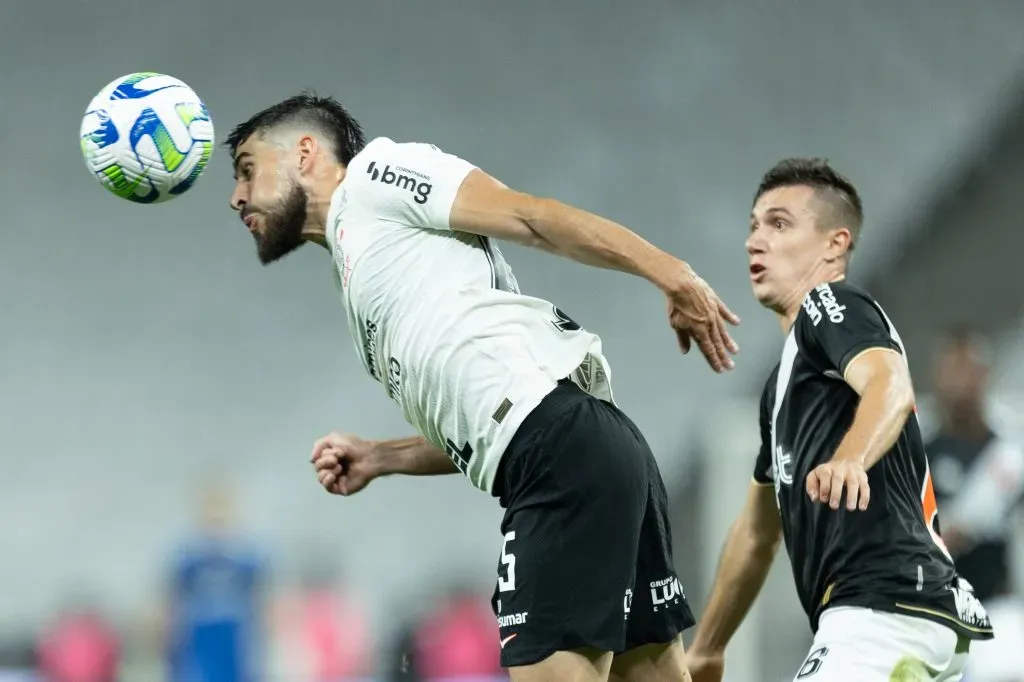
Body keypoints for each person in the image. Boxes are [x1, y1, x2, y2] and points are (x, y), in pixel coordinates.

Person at [225, 92, 740, 682]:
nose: (236, 196)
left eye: (247, 169)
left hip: (560, 457)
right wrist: (382, 456)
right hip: (582, 449)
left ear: (306, 153)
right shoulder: (367, 265)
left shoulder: (374, 178)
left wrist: (668, 272)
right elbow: (490, 420)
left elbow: (530, 217)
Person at [685, 158, 994, 681]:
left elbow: (890, 385)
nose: (754, 241)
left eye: (779, 224)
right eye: (754, 225)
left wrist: (850, 458)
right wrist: (709, 646)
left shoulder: (832, 305)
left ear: (834, 244)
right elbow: (758, 532)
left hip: (881, 613)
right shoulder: (782, 386)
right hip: (906, 615)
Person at [925, 326, 1024, 680]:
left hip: (995, 610)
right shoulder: (918, 448)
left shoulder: (1009, 449)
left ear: (984, 375)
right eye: (951, 370)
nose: (959, 383)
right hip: (932, 611)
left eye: (967, 370)